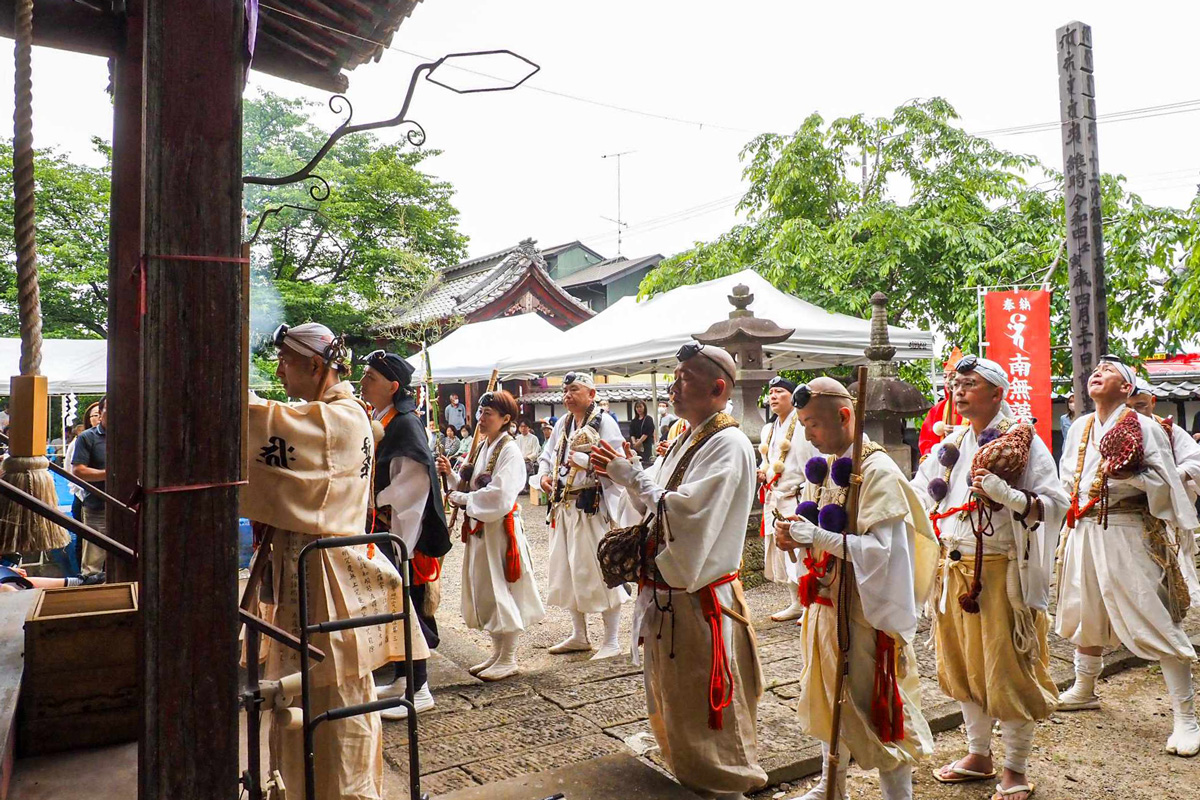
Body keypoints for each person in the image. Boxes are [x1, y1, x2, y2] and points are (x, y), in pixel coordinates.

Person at [242, 322, 409, 800]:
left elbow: (270, 424)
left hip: (325, 574)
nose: (280, 371)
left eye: (287, 362)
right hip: (320, 568)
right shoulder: (340, 413)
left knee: (333, 691)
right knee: (314, 691)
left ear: (315, 365)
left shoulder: (339, 418)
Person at [593, 342, 766, 800]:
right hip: (670, 595)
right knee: (676, 704)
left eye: (685, 377)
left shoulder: (727, 442)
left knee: (705, 709)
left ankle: (724, 788)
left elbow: (687, 514)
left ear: (717, 387)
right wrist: (625, 477)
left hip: (699, 597)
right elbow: (657, 506)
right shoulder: (691, 436)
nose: (674, 385)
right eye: (676, 375)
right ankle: (695, 781)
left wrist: (632, 476)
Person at [773, 377, 937, 800]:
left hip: (865, 612)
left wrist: (816, 538)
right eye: (804, 423)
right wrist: (794, 536)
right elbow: (815, 530)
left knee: (878, 706)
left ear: (845, 416)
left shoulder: (877, 470)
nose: (806, 433)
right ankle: (832, 785)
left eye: (813, 423)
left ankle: (897, 794)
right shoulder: (825, 465)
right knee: (828, 698)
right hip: (825, 603)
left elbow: (884, 552)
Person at [911, 356, 1067, 800]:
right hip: (953, 569)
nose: (959, 392)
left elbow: (1055, 503)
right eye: (956, 384)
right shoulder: (953, 442)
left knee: (1008, 670)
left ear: (998, 394)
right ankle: (978, 754)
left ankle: (1015, 768)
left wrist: (1010, 497)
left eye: (971, 384)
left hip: (1000, 572)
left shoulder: (1024, 440)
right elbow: (921, 490)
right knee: (961, 666)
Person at [1055, 357, 1200, 758]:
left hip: (1127, 530)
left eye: (1110, 370)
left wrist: (1130, 476)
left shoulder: (1146, 425)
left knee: (1153, 617)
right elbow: (1068, 477)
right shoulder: (1081, 427)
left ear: (1127, 388)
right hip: (1084, 527)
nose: (1098, 372)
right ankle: (1085, 688)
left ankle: (1185, 716)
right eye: (1095, 369)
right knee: (1086, 611)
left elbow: (1166, 481)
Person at [360, 350, 452, 721]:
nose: (363, 383)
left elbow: (411, 487)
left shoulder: (405, 425)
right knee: (392, 606)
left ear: (393, 386)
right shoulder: (386, 419)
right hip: (386, 527)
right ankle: (402, 678)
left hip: (402, 532)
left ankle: (420, 687)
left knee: (408, 606)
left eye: (371, 378)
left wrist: (401, 543)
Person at [438, 390, 545, 680]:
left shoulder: (509, 450)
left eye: (489, 414)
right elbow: (469, 485)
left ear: (506, 419)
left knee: (502, 588)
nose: (481, 419)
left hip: (500, 530)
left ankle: (508, 657)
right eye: (481, 413)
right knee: (486, 589)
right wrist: (451, 477)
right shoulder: (483, 445)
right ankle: (497, 654)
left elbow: (499, 494)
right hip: (481, 528)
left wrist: (460, 498)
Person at [537, 371, 630, 660]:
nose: (567, 395)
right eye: (565, 391)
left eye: (574, 389)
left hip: (592, 506)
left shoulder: (605, 422)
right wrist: (542, 476)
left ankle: (612, 639)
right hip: (563, 506)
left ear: (591, 394)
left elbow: (616, 462)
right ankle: (579, 634)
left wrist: (580, 459)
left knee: (599, 569)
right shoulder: (563, 423)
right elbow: (547, 455)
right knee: (566, 569)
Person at [758, 375, 814, 622]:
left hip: (795, 495)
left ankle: (809, 602)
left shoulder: (800, 427)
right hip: (774, 495)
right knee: (781, 552)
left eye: (780, 391)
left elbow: (808, 464)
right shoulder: (768, 429)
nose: (773, 396)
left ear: (792, 396)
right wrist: (762, 472)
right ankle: (795, 602)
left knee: (800, 551)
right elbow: (767, 461)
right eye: (771, 392)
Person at [70, 396, 108, 581]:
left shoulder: (131, 436)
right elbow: (78, 470)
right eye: (109, 408)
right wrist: (109, 474)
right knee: (93, 562)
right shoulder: (87, 437)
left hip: (128, 505)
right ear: (100, 413)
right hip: (97, 505)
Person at [918, 347, 965, 458]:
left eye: (953, 377)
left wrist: (959, 432)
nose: (948, 381)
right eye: (945, 377)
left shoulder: (975, 405)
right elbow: (926, 441)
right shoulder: (938, 409)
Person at [628, 400, 656, 465]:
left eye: (640, 407)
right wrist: (634, 443)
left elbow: (647, 432)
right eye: (637, 407)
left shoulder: (648, 419)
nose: (639, 409)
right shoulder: (634, 421)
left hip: (646, 445)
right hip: (636, 447)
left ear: (644, 407)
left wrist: (639, 442)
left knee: (646, 462)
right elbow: (632, 433)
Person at [515, 419, 542, 487]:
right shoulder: (517, 439)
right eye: (521, 426)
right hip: (518, 461)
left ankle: (525, 487)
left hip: (529, 461)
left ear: (529, 428)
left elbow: (535, 453)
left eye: (525, 426)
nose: (523, 428)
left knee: (526, 467)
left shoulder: (534, 438)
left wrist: (526, 458)